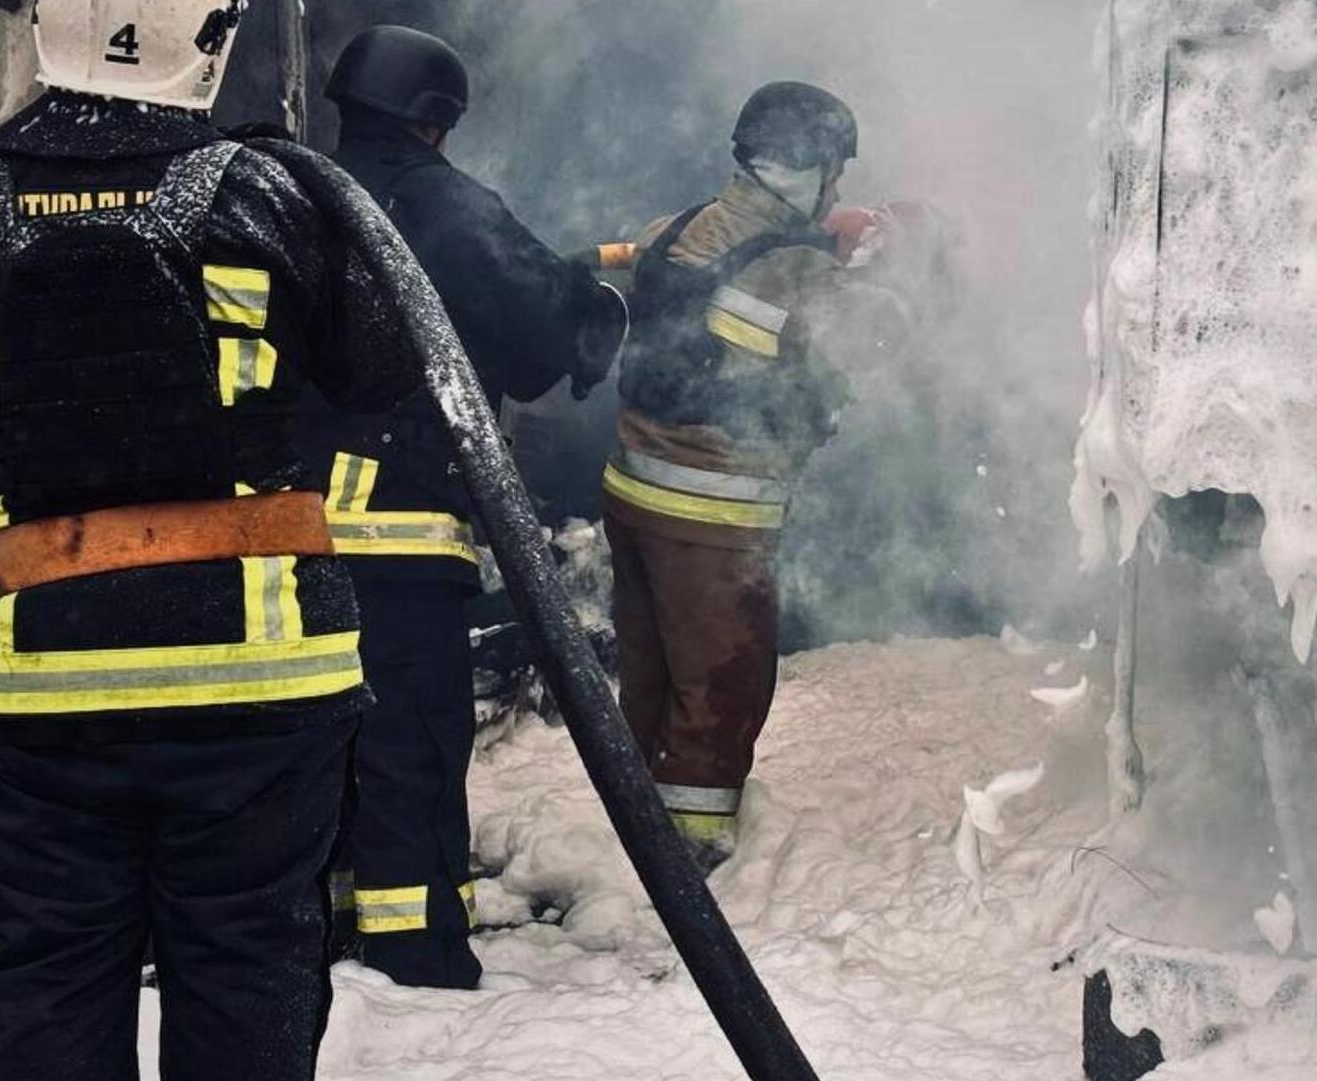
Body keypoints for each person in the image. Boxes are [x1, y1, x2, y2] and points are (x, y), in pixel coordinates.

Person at [0, 2, 422, 1077]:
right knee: (248, 975)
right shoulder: (276, 192)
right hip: (261, 680)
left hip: (33, 688)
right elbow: (385, 371)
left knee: (42, 983)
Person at [308, 24, 626, 990]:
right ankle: (418, 957)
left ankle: (323, 929)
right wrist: (597, 310)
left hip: (280, 546)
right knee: (408, 740)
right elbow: (547, 328)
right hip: (394, 534)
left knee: (318, 743)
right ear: (436, 119)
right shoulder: (443, 203)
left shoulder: (297, 193)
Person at [604, 81, 909, 872]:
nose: (837, 191)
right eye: (834, 174)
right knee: (721, 692)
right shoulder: (796, 272)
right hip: (715, 517)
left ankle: (635, 839)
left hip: (633, 495)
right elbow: (870, 343)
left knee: (652, 682)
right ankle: (694, 868)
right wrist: (902, 268)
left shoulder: (671, 229)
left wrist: (826, 248)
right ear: (810, 171)